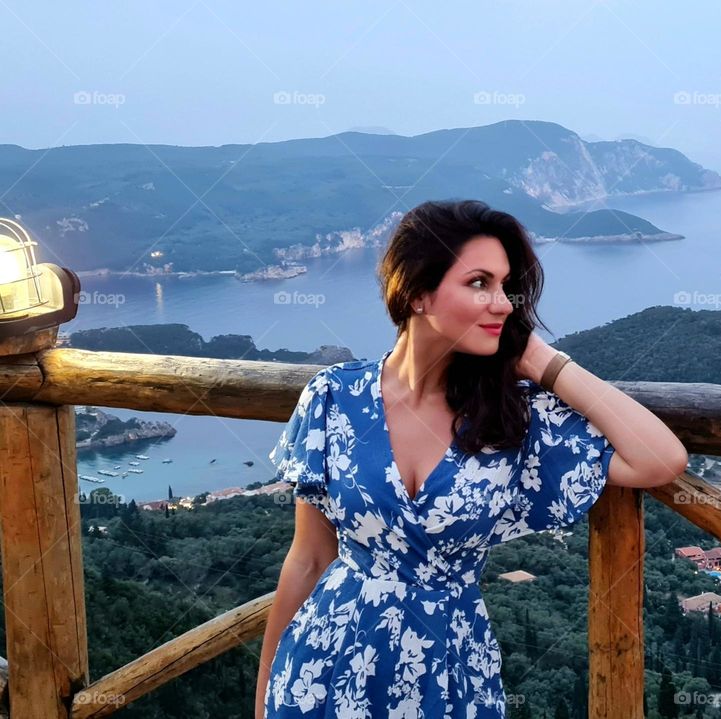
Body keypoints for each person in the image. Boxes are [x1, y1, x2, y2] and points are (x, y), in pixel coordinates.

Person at [255, 199, 688, 718]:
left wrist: (543, 362)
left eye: (507, 287)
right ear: (417, 293)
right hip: (322, 669)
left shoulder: (513, 419)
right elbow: (308, 558)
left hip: (448, 671)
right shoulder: (333, 398)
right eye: (479, 283)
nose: (503, 303)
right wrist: (265, 697)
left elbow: (659, 459)